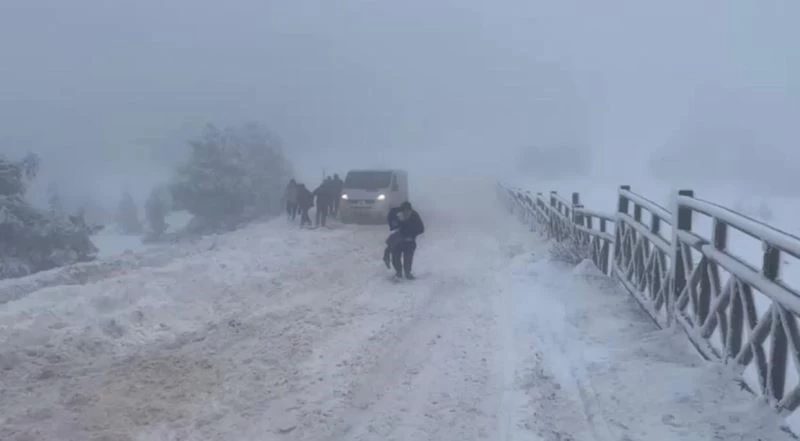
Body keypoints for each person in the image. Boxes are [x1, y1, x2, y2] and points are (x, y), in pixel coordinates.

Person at [391, 201, 424, 279]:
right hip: (398, 241)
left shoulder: (415, 216)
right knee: (395, 256)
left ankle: (407, 273)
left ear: (410, 210)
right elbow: (392, 225)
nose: (405, 212)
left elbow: (421, 229)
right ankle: (398, 272)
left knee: (408, 258)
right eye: (404, 210)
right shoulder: (397, 216)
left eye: (407, 210)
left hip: (410, 241)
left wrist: (412, 235)